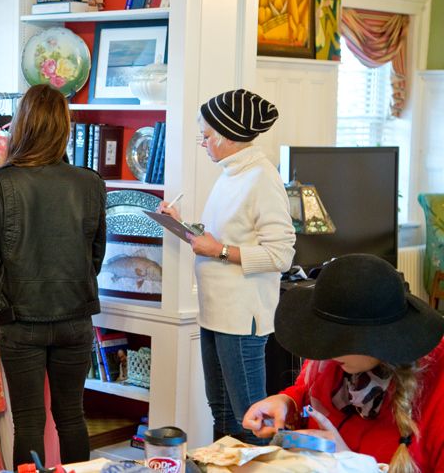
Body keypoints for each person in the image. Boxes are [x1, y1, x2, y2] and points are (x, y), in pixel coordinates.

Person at [0, 84, 106, 467]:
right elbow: (95, 256)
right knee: (71, 417)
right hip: (75, 317)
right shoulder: (90, 183)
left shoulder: (2, 182)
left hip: (20, 319)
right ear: (64, 127)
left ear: (23, 126)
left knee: (28, 420)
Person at [158, 89, 295, 443]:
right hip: (214, 311)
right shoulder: (231, 172)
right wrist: (182, 224)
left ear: (228, 135)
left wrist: (218, 250)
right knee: (220, 410)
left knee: (250, 418)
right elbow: (225, 238)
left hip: (240, 317)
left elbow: (281, 254)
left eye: (206, 136)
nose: (202, 143)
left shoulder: (262, 178)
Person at [243, 254, 444, 472]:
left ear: (380, 337)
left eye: (339, 339)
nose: (325, 351)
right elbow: (307, 395)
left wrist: (351, 464)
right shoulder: (332, 362)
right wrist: (287, 403)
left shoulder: (435, 396)